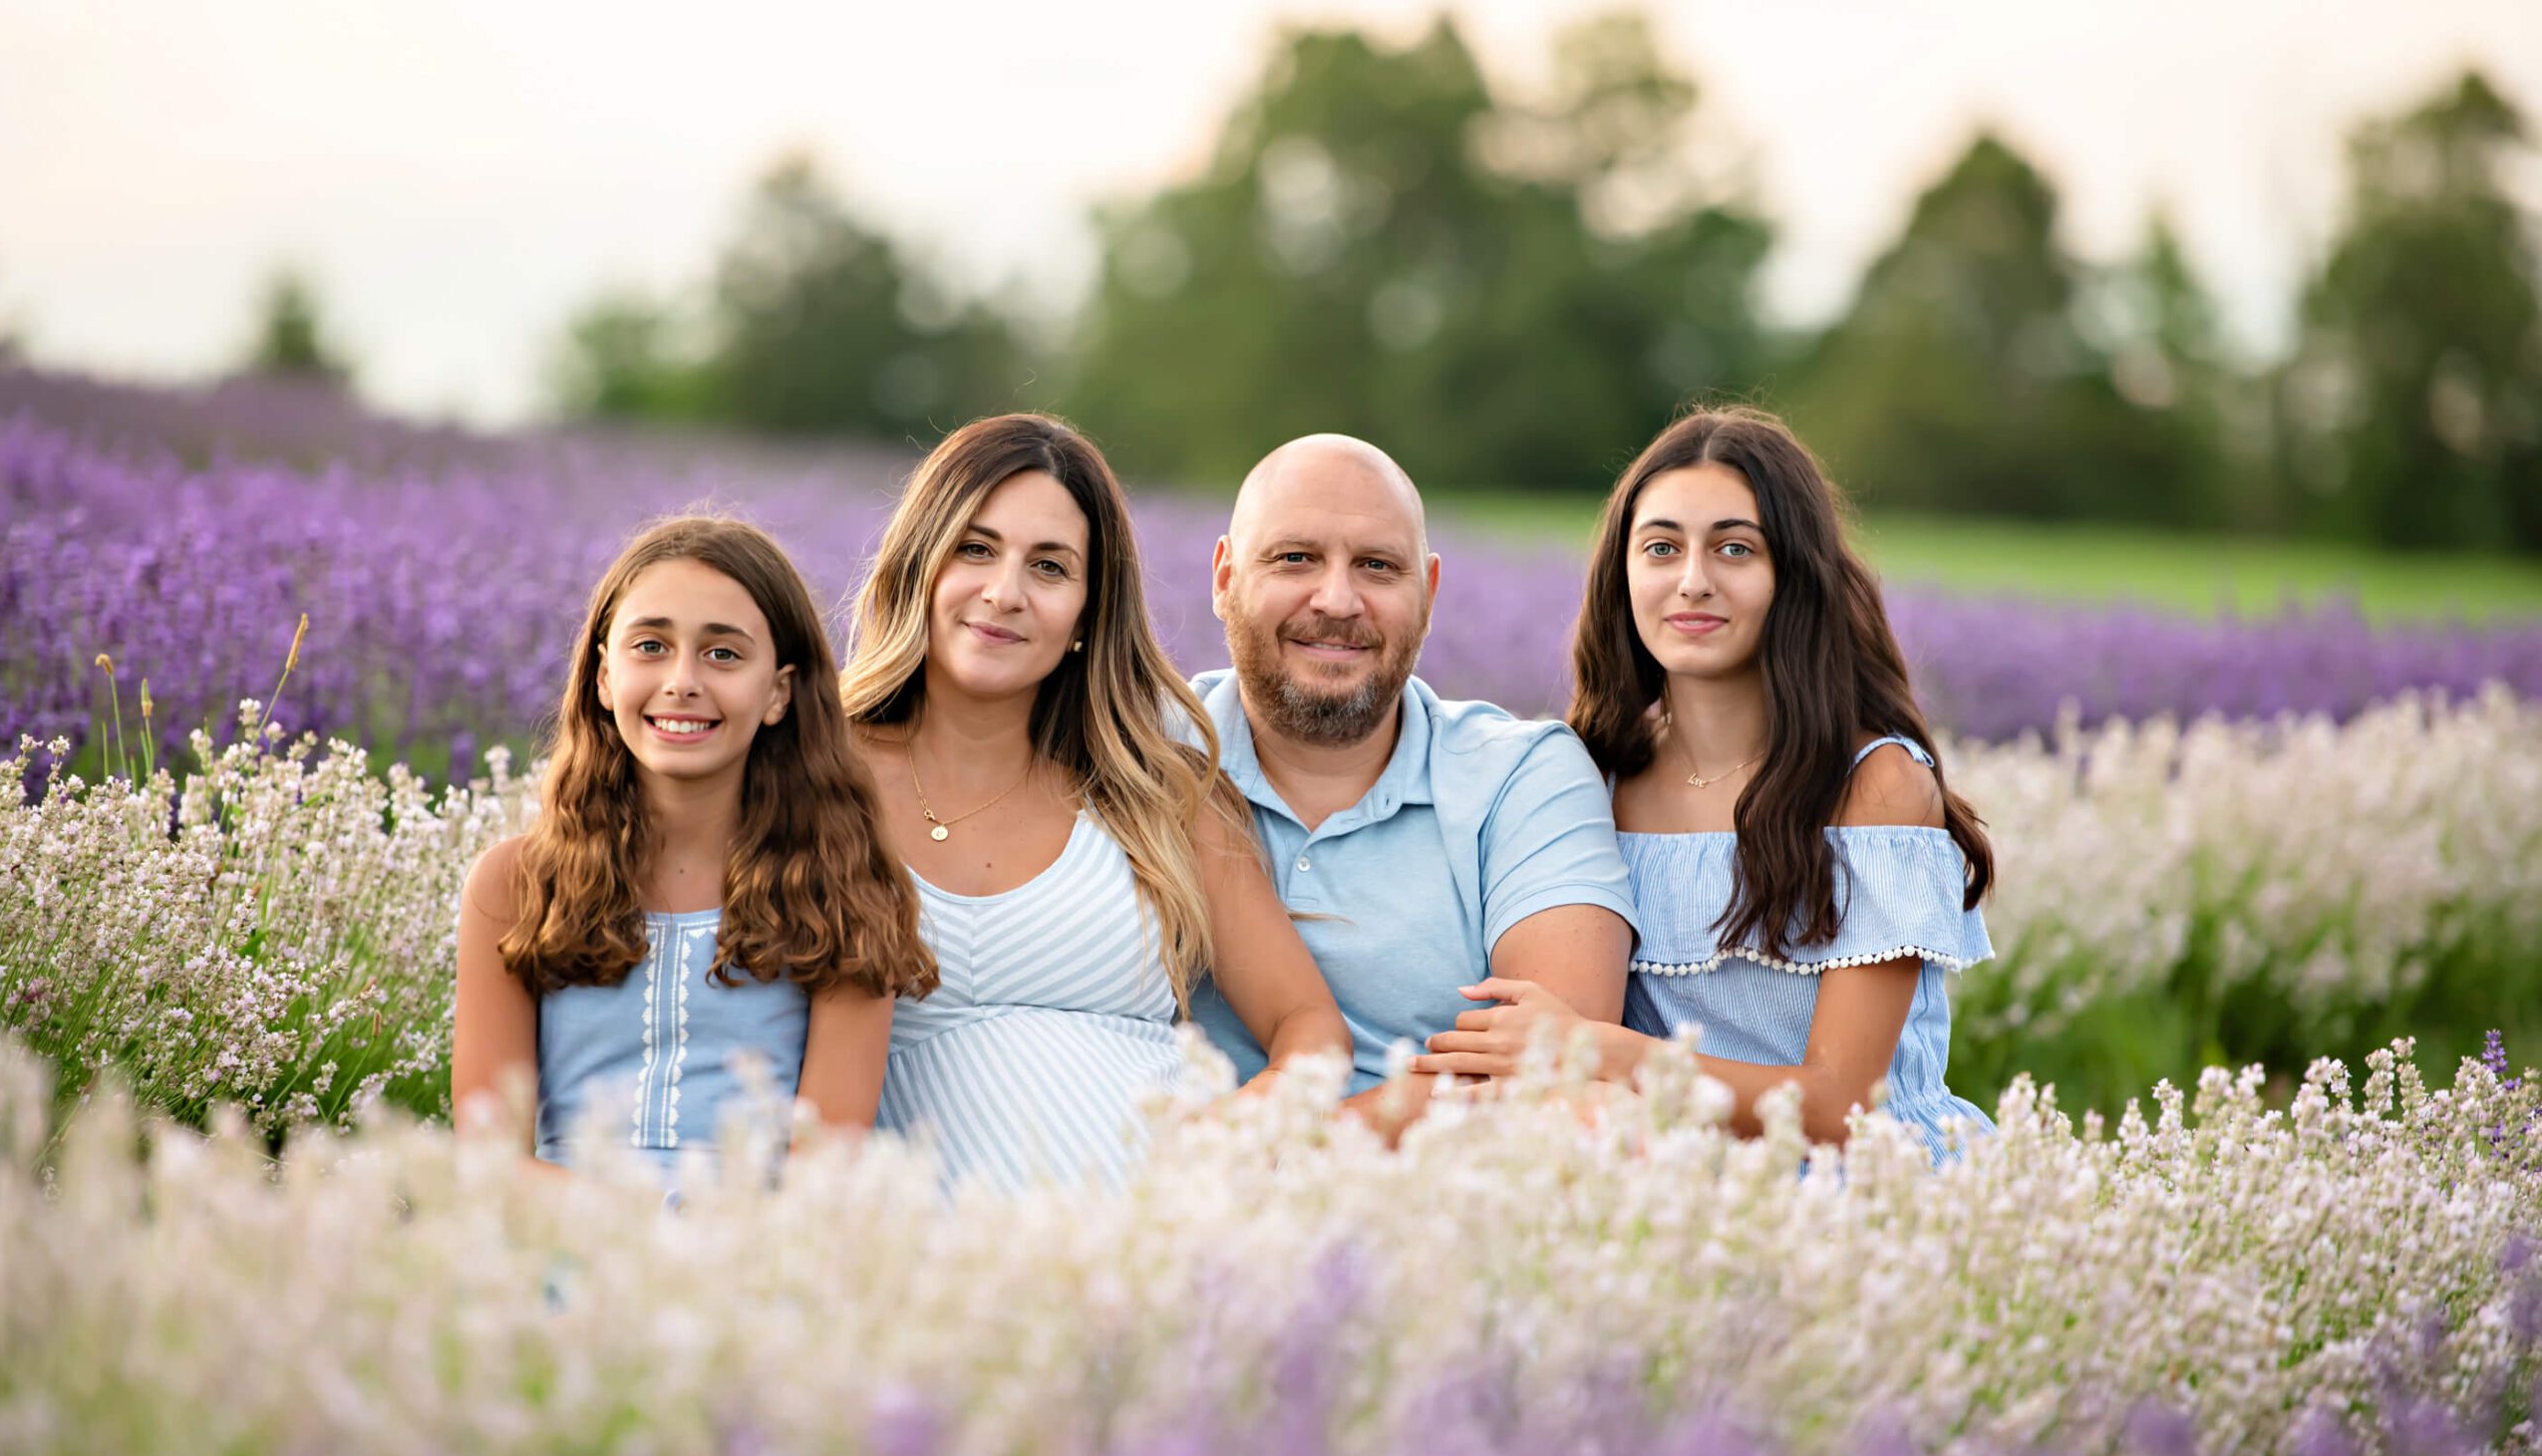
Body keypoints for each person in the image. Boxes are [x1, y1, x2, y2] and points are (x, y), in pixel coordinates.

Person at [1415, 408, 1996, 1162]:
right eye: (1661, 548)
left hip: (1860, 1186)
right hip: (1675, 1171)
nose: (1693, 581)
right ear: (1623, 575)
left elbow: (1838, 1104)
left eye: (1733, 548)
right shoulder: (1596, 777)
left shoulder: (1873, 785)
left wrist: (1597, 1050)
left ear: (1794, 575)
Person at [841, 414, 1348, 1192]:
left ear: (1086, 610)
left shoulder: (1156, 795)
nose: (1003, 592)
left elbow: (1310, 1029)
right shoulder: (812, 776)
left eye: (1050, 568)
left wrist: (1233, 1144)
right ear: (917, 564)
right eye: (974, 548)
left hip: (1164, 1240)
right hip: (923, 1266)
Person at [452, 514, 934, 1176]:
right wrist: (641, 1236)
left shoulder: (843, 889)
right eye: (650, 646)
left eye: (724, 653)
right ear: (602, 676)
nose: (682, 680)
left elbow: (823, 1175)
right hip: (558, 1247)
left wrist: (701, 1256)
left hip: (756, 1258)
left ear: (778, 692)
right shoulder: (515, 884)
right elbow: (488, 1161)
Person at [1187, 434, 1639, 1139]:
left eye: (1376, 566)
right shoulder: (1145, 751)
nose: (1337, 599)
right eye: (1295, 558)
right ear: (1224, 577)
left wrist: (1284, 1162)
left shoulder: (1520, 775)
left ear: (1427, 594)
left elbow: (1555, 1065)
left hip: (1440, 1196)